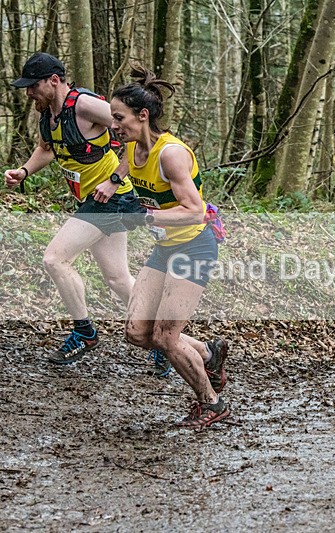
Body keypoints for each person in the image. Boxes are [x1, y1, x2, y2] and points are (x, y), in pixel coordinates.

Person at [3, 52, 147, 366]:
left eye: (33, 86)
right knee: (119, 280)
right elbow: (46, 149)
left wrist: (113, 178)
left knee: (55, 259)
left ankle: (84, 332)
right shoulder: (48, 113)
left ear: (53, 80)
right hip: (95, 202)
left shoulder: (85, 105)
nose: (28, 93)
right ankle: (161, 338)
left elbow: (138, 133)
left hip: (113, 198)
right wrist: (24, 171)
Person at [110, 65, 229, 428]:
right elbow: (128, 166)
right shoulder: (133, 146)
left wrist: (146, 218)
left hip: (195, 247)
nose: (114, 125)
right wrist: (115, 184)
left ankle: (211, 402)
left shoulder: (171, 154)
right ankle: (209, 352)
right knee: (136, 332)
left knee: (164, 336)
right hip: (165, 249)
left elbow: (195, 212)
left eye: (120, 118)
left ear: (143, 116)